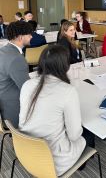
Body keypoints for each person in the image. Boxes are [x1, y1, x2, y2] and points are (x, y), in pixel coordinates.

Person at [19, 45, 88, 176]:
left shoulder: (27, 84)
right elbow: (74, 136)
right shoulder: (67, 91)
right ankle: (81, 166)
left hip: (26, 152)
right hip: (53, 162)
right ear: (65, 66)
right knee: (87, 134)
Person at [0, 21, 33, 127]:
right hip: (15, 113)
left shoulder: (3, 50)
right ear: (20, 37)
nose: (31, 36)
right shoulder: (16, 59)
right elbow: (28, 90)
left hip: (4, 107)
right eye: (29, 34)